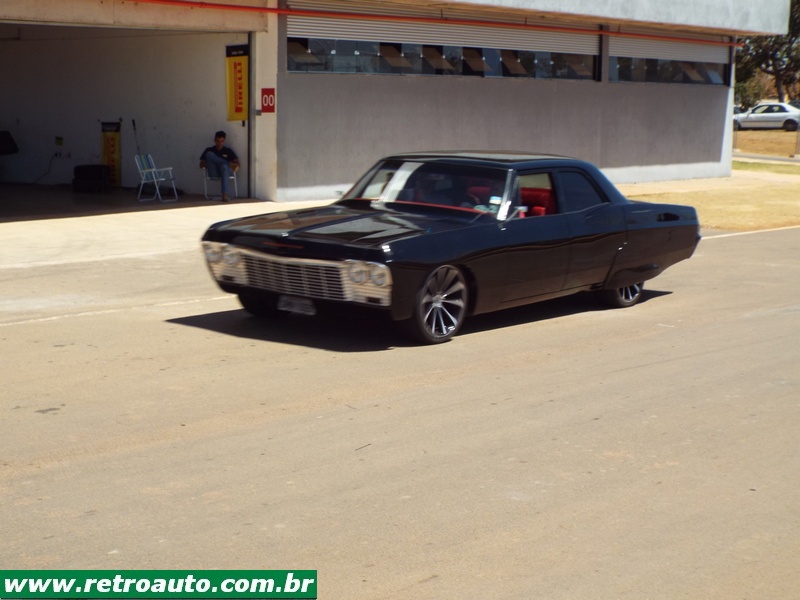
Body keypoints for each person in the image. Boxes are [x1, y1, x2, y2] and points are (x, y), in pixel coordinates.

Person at [199, 130, 240, 202]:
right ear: (214, 140)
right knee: (209, 154)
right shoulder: (209, 149)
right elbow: (201, 165)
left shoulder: (228, 150)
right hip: (213, 171)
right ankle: (227, 163)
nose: (220, 143)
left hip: (225, 172)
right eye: (218, 141)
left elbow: (237, 164)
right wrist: (210, 162)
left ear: (224, 141)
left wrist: (222, 163)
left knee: (224, 166)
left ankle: (224, 195)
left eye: (222, 141)